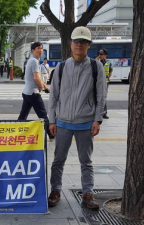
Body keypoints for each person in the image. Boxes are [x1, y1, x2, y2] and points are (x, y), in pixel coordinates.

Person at [47, 26, 107, 209]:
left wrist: (98, 119)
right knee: (58, 160)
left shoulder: (96, 67)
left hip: (85, 122)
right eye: (76, 41)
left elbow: (101, 96)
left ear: (89, 45)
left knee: (86, 162)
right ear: (70, 43)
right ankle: (55, 190)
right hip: (63, 121)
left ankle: (88, 194)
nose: (79, 44)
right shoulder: (62, 66)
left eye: (83, 41)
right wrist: (52, 120)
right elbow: (53, 95)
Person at [18, 42, 54, 141]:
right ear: (33, 50)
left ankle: (16, 132)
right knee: (42, 114)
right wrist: (43, 86)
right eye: (38, 48)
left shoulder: (32, 61)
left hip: (27, 92)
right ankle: (51, 135)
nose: (41, 50)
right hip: (33, 93)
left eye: (42, 48)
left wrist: (44, 86)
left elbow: (37, 78)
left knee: (23, 115)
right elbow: (36, 77)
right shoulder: (34, 61)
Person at [96, 48, 112, 119]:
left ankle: (104, 113)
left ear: (106, 55)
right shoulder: (96, 61)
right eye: (99, 54)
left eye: (101, 54)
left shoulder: (109, 62)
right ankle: (96, 112)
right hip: (97, 82)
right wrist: (97, 58)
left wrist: (107, 77)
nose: (100, 55)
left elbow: (110, 71)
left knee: (104, 97)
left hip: (105, 82)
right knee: (96, 97)